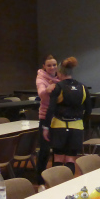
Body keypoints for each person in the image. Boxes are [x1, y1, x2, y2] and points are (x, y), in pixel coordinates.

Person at [42, 57, 92, 176]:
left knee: (58, 158)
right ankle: (69, 183)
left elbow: (51, 109)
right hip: (77, 127)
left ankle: (57, 184)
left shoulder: (58, 87)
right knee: (70, 159)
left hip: (58, 126)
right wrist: (83, 123)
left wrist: (46, 127)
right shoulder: (83, 87)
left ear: (59, 73)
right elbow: (89, 110)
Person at [35, 55, 59, 183]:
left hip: (58, 116)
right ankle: (40, 180)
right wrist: (47, 90)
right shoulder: (41, 78)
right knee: (45, 150)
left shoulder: (59, 77)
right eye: (49, 65)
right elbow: (42, 94)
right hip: (46, 117)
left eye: (54, 65)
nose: (52, 67)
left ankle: (55, 178)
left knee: (57, 149)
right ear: (44, 66)